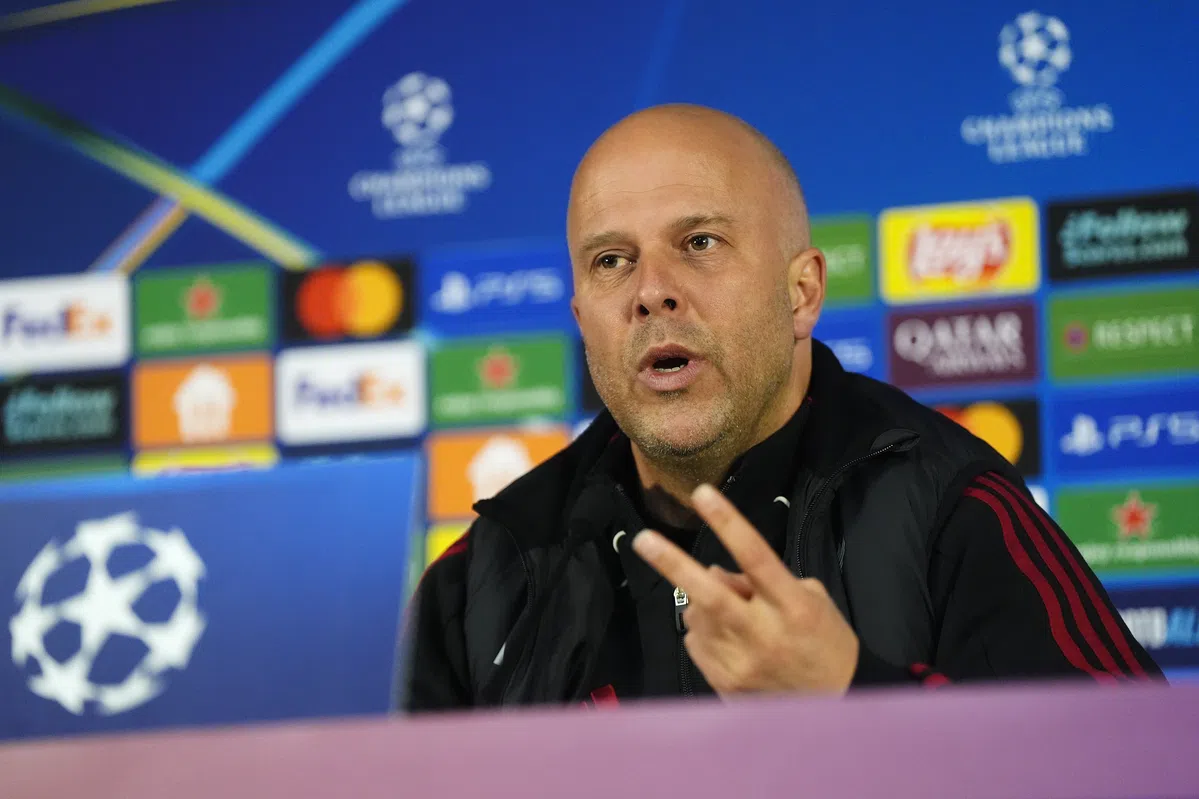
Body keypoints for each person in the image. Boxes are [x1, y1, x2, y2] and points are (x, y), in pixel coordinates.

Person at [401, 104, 1162, 710]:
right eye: (611, 260)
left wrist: (850, 694)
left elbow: (1136, 765)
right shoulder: (487, 572)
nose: (651, 290)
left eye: (699, 243)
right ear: (581, 319)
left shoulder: (949, 506)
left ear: (801, 293)